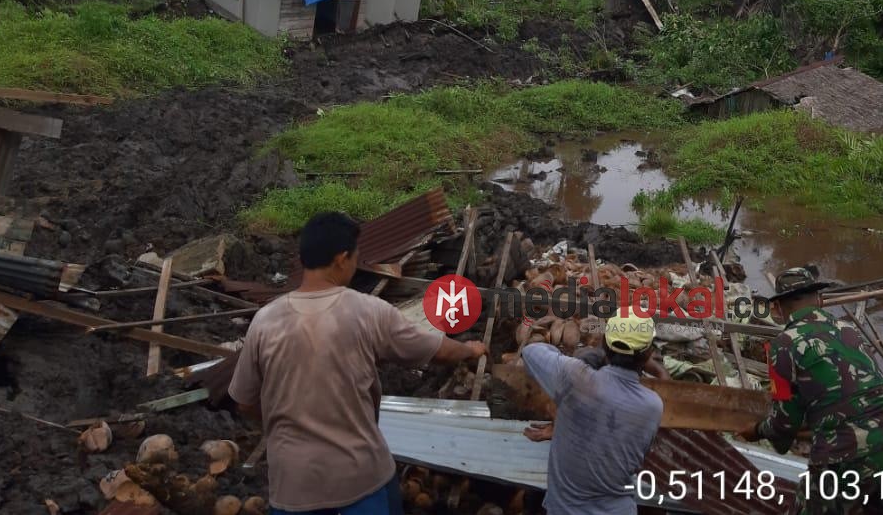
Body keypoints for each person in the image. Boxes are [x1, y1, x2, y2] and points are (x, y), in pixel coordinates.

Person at [229, 212, 486, 515]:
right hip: (361, 478)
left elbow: (244, 402)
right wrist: (469, 349)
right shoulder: (367, 311)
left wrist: (282, 428)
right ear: (341, 259)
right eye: (355, 257)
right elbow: (436, 350)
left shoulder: (265, 321)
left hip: (293, 485)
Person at [740, 267, 883, 515]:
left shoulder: (783, 344)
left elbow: (784, 423)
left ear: (778, 308)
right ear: (821, 300)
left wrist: (757, 431)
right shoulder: (849, 330)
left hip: (844, 450)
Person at [519, 314, 664, 514]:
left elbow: (531, 351)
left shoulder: (575, 376)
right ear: (648, 354)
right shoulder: (653, 406)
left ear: (604, 344)